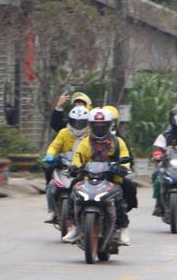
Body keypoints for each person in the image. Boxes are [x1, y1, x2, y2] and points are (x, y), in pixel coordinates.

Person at [68, 108, 134, 245]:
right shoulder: (85, 142)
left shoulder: (118, 142)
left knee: (124, 191)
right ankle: (74, 226)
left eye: (102, 125)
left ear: (109, 125)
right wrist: (75, 167)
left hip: (111, 178)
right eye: (96, 125)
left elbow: (125, 158)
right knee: (72, 188)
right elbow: (77, 157)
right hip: (89, 177)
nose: (99, 128)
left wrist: (122, 168)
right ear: (90, 125)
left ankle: (123, 228)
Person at [42, 105, 90, 223]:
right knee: (51, 182)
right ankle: (53, 211)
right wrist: (50, 155)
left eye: (81, 122)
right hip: (65, 164)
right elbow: (54, 146)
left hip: (83, 167)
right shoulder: (64, 132)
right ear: (70, 121)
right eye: (75, 122)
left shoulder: (91, 135)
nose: (78, 125)